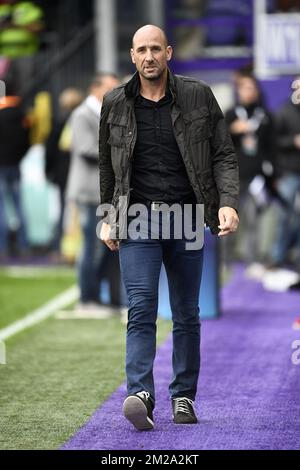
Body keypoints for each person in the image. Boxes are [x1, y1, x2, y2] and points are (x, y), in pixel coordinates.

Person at [99, 25, 239, 430]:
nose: (149, 56)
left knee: (186, 313)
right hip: (137, 218)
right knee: (141, 308)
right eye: (141, 50)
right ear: (132, 56)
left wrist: (227, 203)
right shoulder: (115, 103)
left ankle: (183, 398)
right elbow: (108, 168)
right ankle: (140, 392)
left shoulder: (197, 95)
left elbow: (223, 156)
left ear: (169, 53)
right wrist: (109, 218)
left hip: (189, 218)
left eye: (155, 49)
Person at [66, 73, 120, 310]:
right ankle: (87, 299)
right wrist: (120, 150)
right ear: (95, 88)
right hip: (89, 192)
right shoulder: (81, 114)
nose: (114, 92)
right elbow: (86, 149)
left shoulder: (103, 112)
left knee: (106, 248)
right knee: (91, 248)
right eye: (110, 88)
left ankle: (100, 297)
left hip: (104, 193)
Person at [225, 72, 273, 263]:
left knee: (254, 219)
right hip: (234, 175)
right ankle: (225, 260)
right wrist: (232, 130)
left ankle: (253, 259)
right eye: (244, 87)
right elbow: (218, 145)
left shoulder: (264, 116)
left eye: (251, 87)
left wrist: (270, 173)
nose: (248, 91)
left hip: (256, 177)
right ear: (238, 91)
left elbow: (271, 147)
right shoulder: (230, 115)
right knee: (227, 220)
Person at [45, 88, 84, 257]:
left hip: (62, 174)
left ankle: (60, 247)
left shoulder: (59, 122)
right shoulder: (81, 120)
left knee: (63, 211)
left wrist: (48, 171)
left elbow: (50, 150)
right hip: (78, 174)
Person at [270, 77, 300, 269]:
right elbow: (273, 142)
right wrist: (293, 141)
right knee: (284, 217)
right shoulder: (283, 111)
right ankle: (278, 256)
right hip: (288, 173)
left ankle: (296, 257)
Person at [0, 79, 30, 259]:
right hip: (15, 164)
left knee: (2, 208)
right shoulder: (22, 115)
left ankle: (2, 247)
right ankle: (23, 244)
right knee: (19, 206)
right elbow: (26, 141)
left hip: (1, 165)